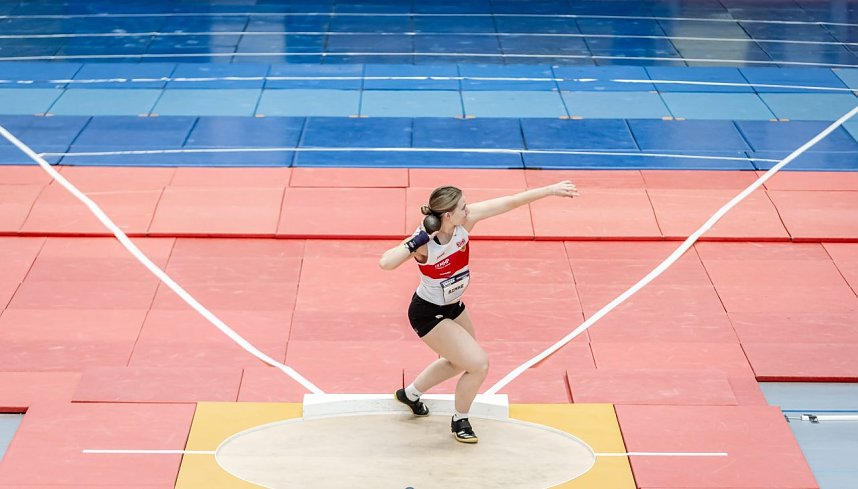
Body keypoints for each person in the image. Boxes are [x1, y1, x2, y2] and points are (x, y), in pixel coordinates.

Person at [379, 181, 579, 443]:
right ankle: (459, 419)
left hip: (454, 306)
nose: (468, 210)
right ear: (448, 215)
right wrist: (413, 242)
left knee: (461, 361)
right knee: (478, 364)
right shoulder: (425, 244)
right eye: (463, 207)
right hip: (427, 313)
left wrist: (549, 190)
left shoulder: (465, 224)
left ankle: (411, 394)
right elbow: (385, 263)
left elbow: (509, 200)